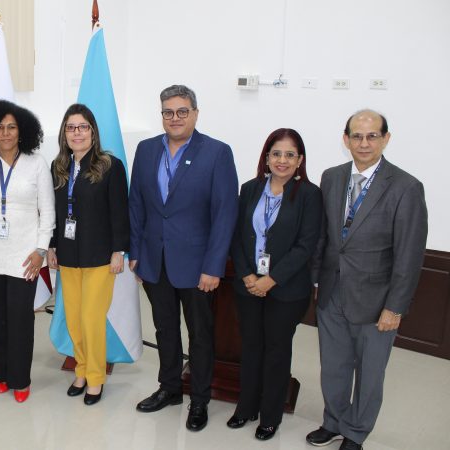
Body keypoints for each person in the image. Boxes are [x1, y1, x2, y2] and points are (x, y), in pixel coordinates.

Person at [306, 110, 427, 450]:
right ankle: (333, 421)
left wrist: (395, 307)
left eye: (372, 136)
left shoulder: (405, 187)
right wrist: (316, 281)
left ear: (386, 139)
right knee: (334, 367)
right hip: (332, 293)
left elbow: (409, 255)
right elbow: (323, 236)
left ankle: (356, 432)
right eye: (357, 136)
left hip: (377, 301)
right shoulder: (332, 177)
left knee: (370, 373)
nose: (364, 143)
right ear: (345, 140)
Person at [129, 85, 238, 431]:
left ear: (195, 113)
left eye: (182, 111)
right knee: (164, 329)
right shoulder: (146, 150)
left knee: (200, 334)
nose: (174, 118)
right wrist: (135, 253)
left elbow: (225, 214)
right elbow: (136, 204)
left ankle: (200, 399)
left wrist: (213, 266)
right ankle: (170, 388)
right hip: (154, 259)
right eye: (168, 112)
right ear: (161, 115)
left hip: (197, 266)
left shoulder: (217, 153)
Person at [227, 129, 323, 440]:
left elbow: (306, 245)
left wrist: (270, 279)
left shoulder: (309, 195)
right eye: (276, 153)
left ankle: (270, 416)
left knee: (276, 351)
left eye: (290, 154)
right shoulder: (250, 188)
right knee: (251, 346)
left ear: (300, 160)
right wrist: (247, 275)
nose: (282, 160)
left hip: (286, 289)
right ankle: (246, 407)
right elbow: (237, 236)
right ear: (266, 157)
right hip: (248, 285)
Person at [0, 99, 55, 403]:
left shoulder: (36, 163)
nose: (5, 133)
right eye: (0, 127)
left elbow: (48, 211)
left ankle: (20, 379)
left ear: (22, 131)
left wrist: (40, 250)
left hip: (24, 253)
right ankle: (2, 374)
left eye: (12, 127)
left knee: (20, 318)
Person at [46, 104, 129, 406]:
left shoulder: (110, 166)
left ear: (93, 132)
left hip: (100, 256)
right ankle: (80, 370)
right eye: (71, 127)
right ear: (64, 133)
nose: (76, 133)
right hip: (68, 255)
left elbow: (120, 212)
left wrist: (119, 250)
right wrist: (52, 245)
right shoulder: (58, 167)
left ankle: (95, 377)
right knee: (74, 320)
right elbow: (55, 212)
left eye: (83, 127)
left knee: (91, 319)